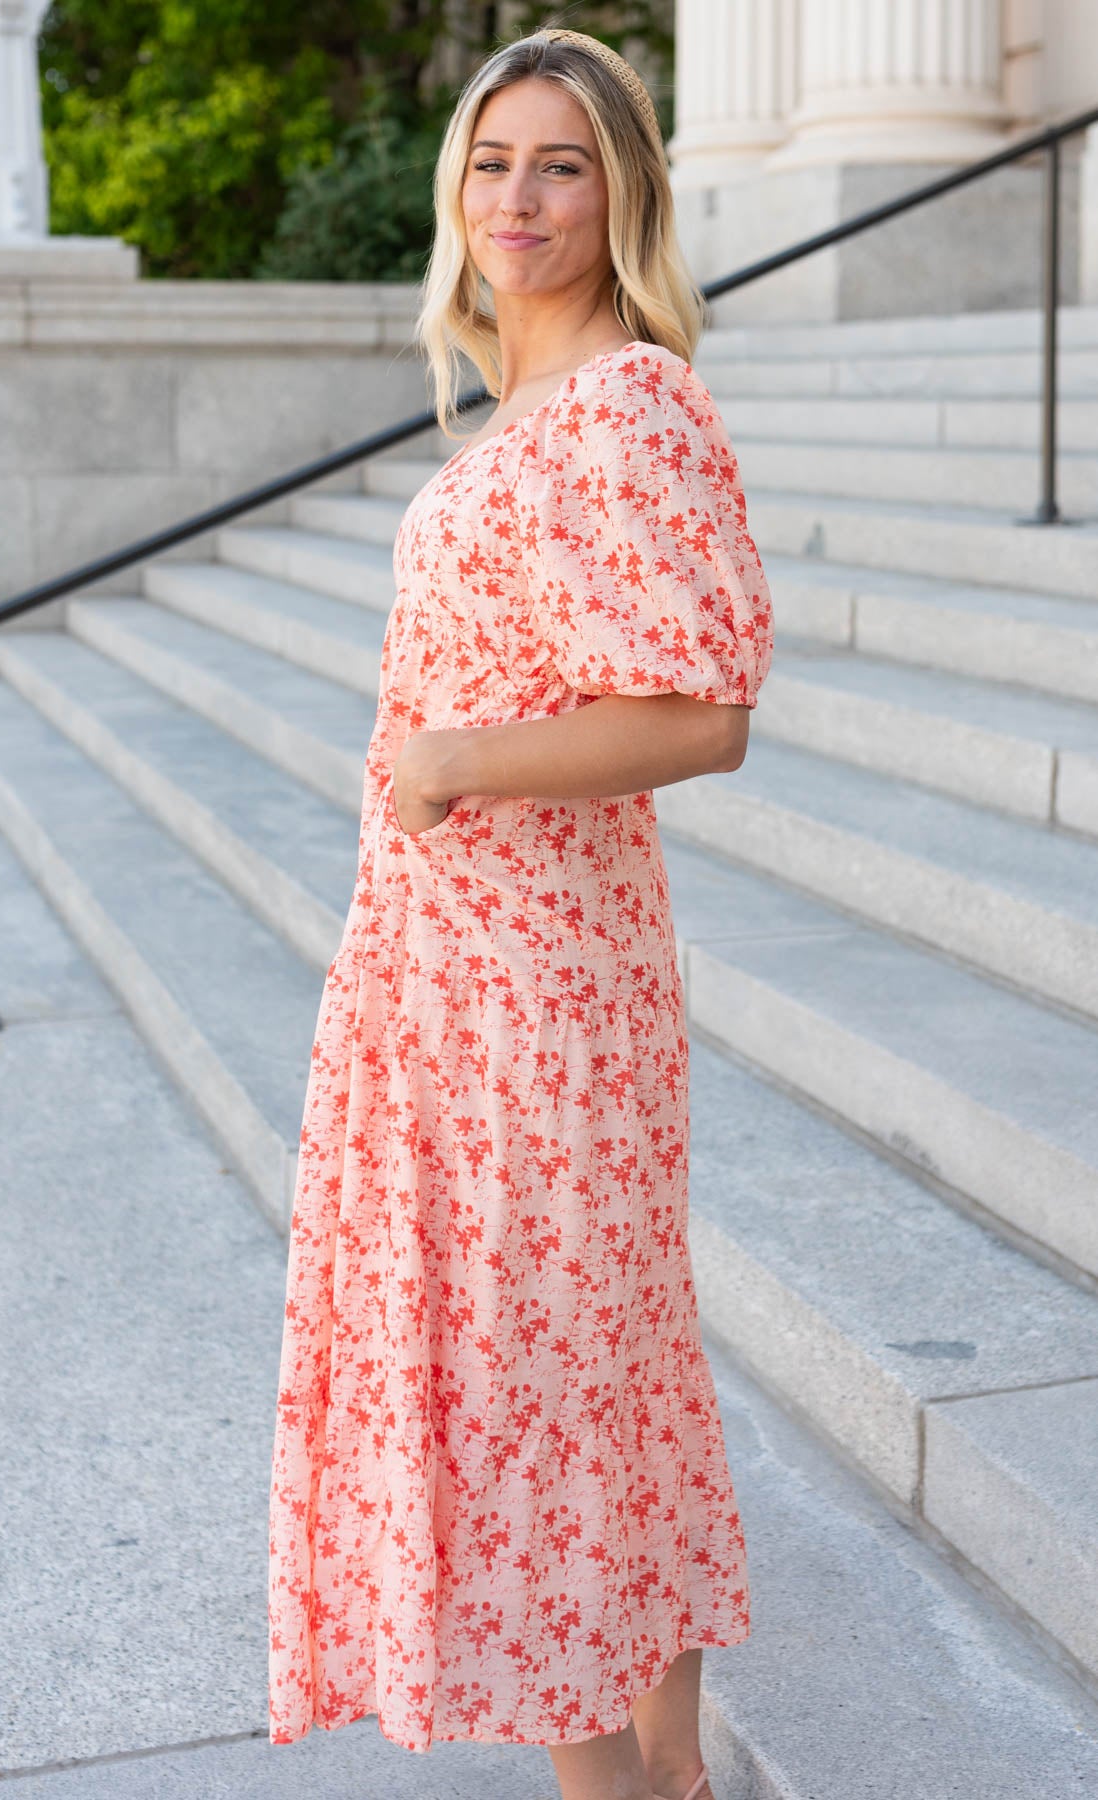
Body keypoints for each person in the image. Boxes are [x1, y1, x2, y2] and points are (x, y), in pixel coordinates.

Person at [268, 22, 774, 1800]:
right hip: (455, 977)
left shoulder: (629, 405)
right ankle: (675, 1777)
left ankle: (623, 1786)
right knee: (589, 1370)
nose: (518, 196)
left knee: (537, 1396)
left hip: (532, 994)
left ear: (622, 186)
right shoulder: (527, 406)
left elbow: (700, 714)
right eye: (493, 163)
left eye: (560, 163)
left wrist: (457, 762)